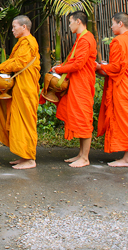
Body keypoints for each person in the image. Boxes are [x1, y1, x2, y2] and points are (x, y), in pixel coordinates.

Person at [0, 15, 40, 169]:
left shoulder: (28, 42)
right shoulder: (23, 43)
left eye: (15, 27)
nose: (13, 30)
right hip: (20, 87)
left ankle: (30, 159)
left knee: (25, 121)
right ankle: (23, 155)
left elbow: (19, 63)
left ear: (24, 27)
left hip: (26, 88)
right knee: (17, 120)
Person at [49, 11, 97, 168]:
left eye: (70, 22)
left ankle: (85, 157)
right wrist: (61, 67)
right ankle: (81, 154)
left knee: (84, 119)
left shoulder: (85, 39)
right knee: (78, 118)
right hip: (77, 83)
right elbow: (74, 61)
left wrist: (61, 70)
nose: (69, 25)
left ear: (78, 21)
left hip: (82, 84)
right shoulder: (81, 39)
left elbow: (78, 64)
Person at [96, 13, 128, 167]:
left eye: (113, 23)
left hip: (123, 86)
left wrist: (100, 66)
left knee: (126, 120)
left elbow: (116, 67)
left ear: (121, 24)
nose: (111, 27)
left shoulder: (119, 41)